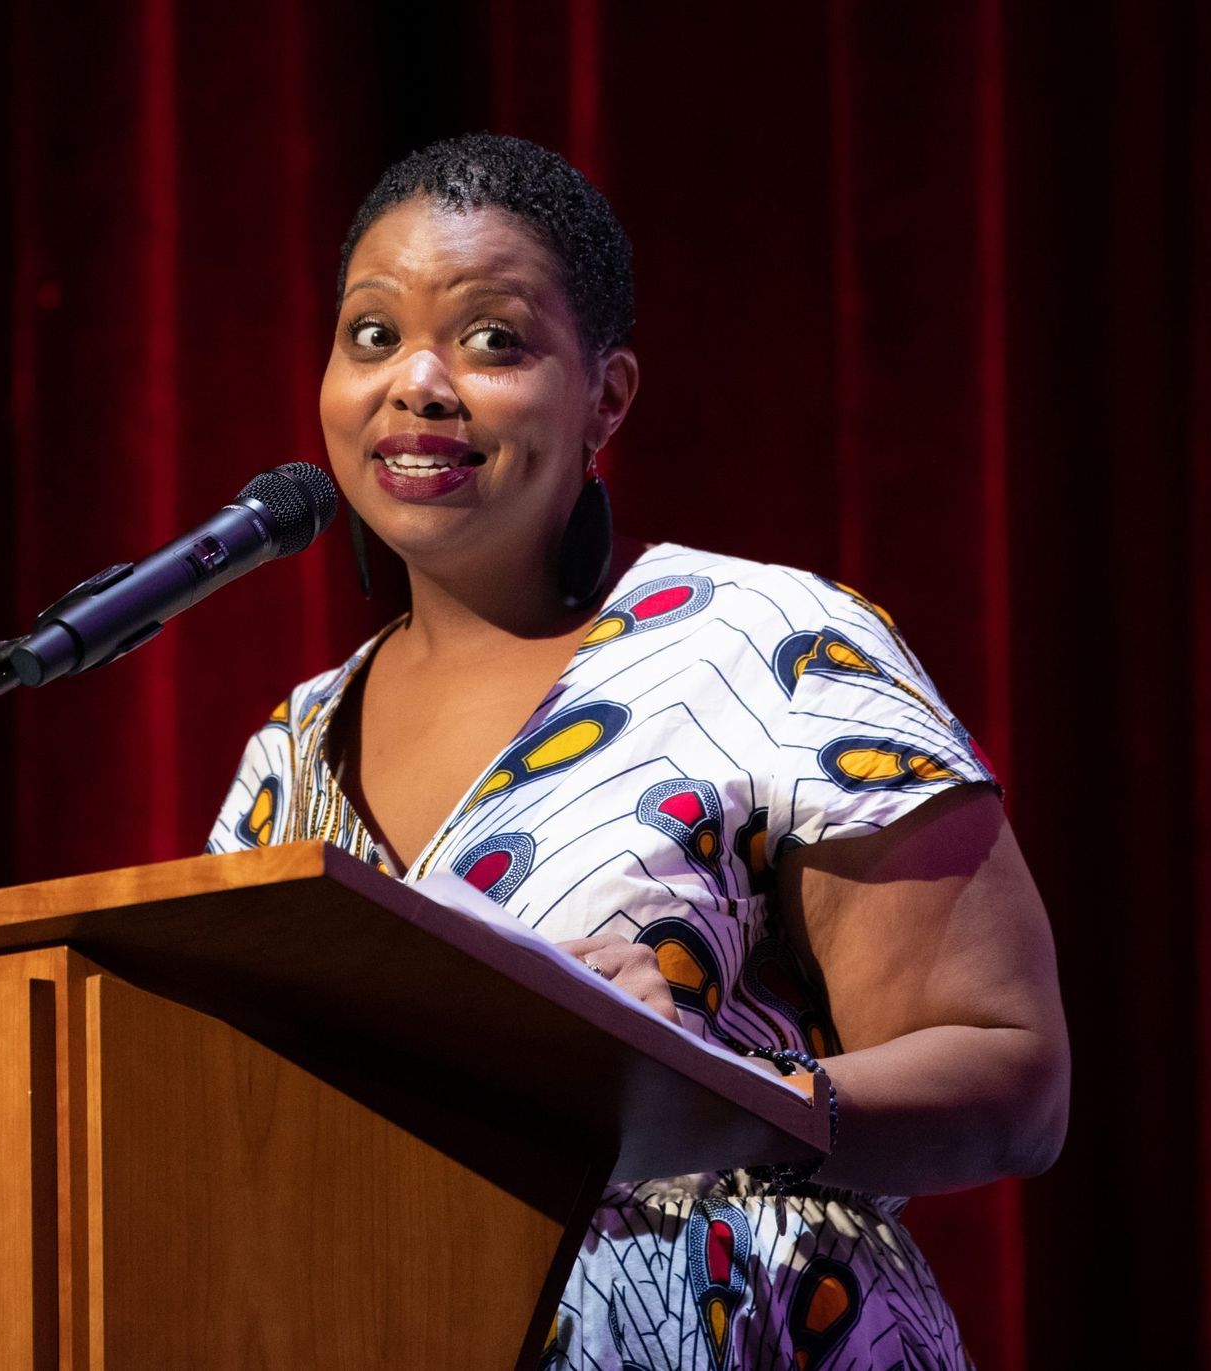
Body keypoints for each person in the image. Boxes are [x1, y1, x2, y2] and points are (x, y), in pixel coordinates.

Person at [205, 133, 1069, 1370]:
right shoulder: (285, 766)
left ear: (606, 398)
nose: (418, 384)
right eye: (373, 335)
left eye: (495, 340)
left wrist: (707, 1082)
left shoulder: (764, 647)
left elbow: (1014, 1078)